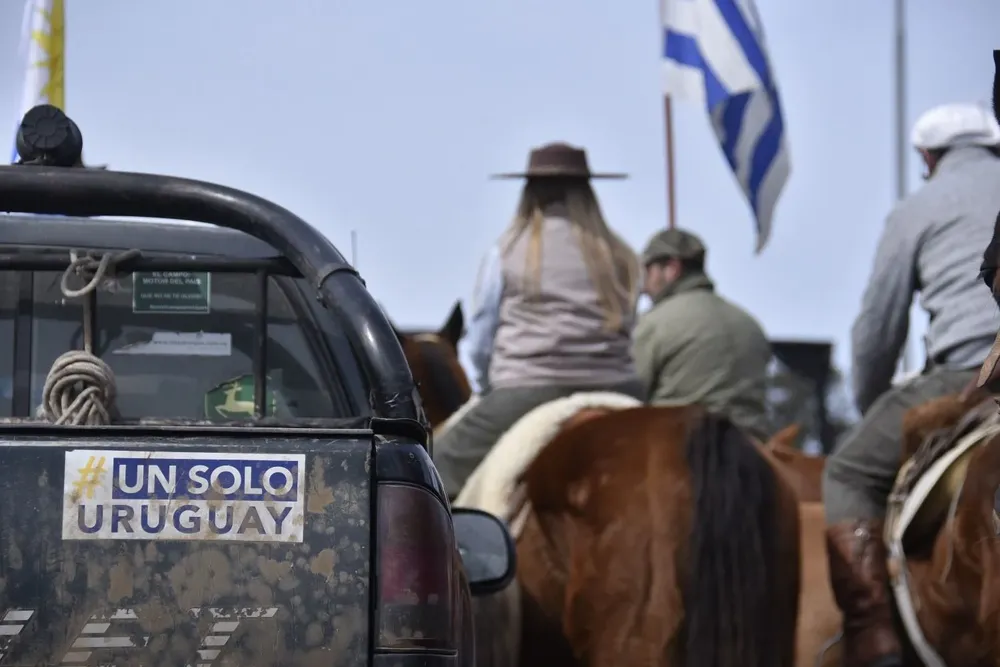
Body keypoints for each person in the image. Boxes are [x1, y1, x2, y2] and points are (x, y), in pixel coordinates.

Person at [823, 102, 1000, 667]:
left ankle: (873, 637)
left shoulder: (919, 207)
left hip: (969, 374)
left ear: (927, 157)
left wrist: (870, 400)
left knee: (847, 472)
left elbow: (878, 329)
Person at [434, 141, 645, 499]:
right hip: (618, 387)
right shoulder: (622, 254)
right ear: (588, 192)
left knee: (432, 468)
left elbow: (481, 341)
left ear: (530, 191)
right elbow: (631, 326)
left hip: (526, 389)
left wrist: (485, 386)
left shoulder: (506, 251)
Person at [632, 228, 772, 439]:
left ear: (671, 269)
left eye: (648, 272)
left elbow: (627, 394)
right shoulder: (750, 324)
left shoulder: (654, 324)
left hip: (678, 445)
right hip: (752, 447)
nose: (643, 287)